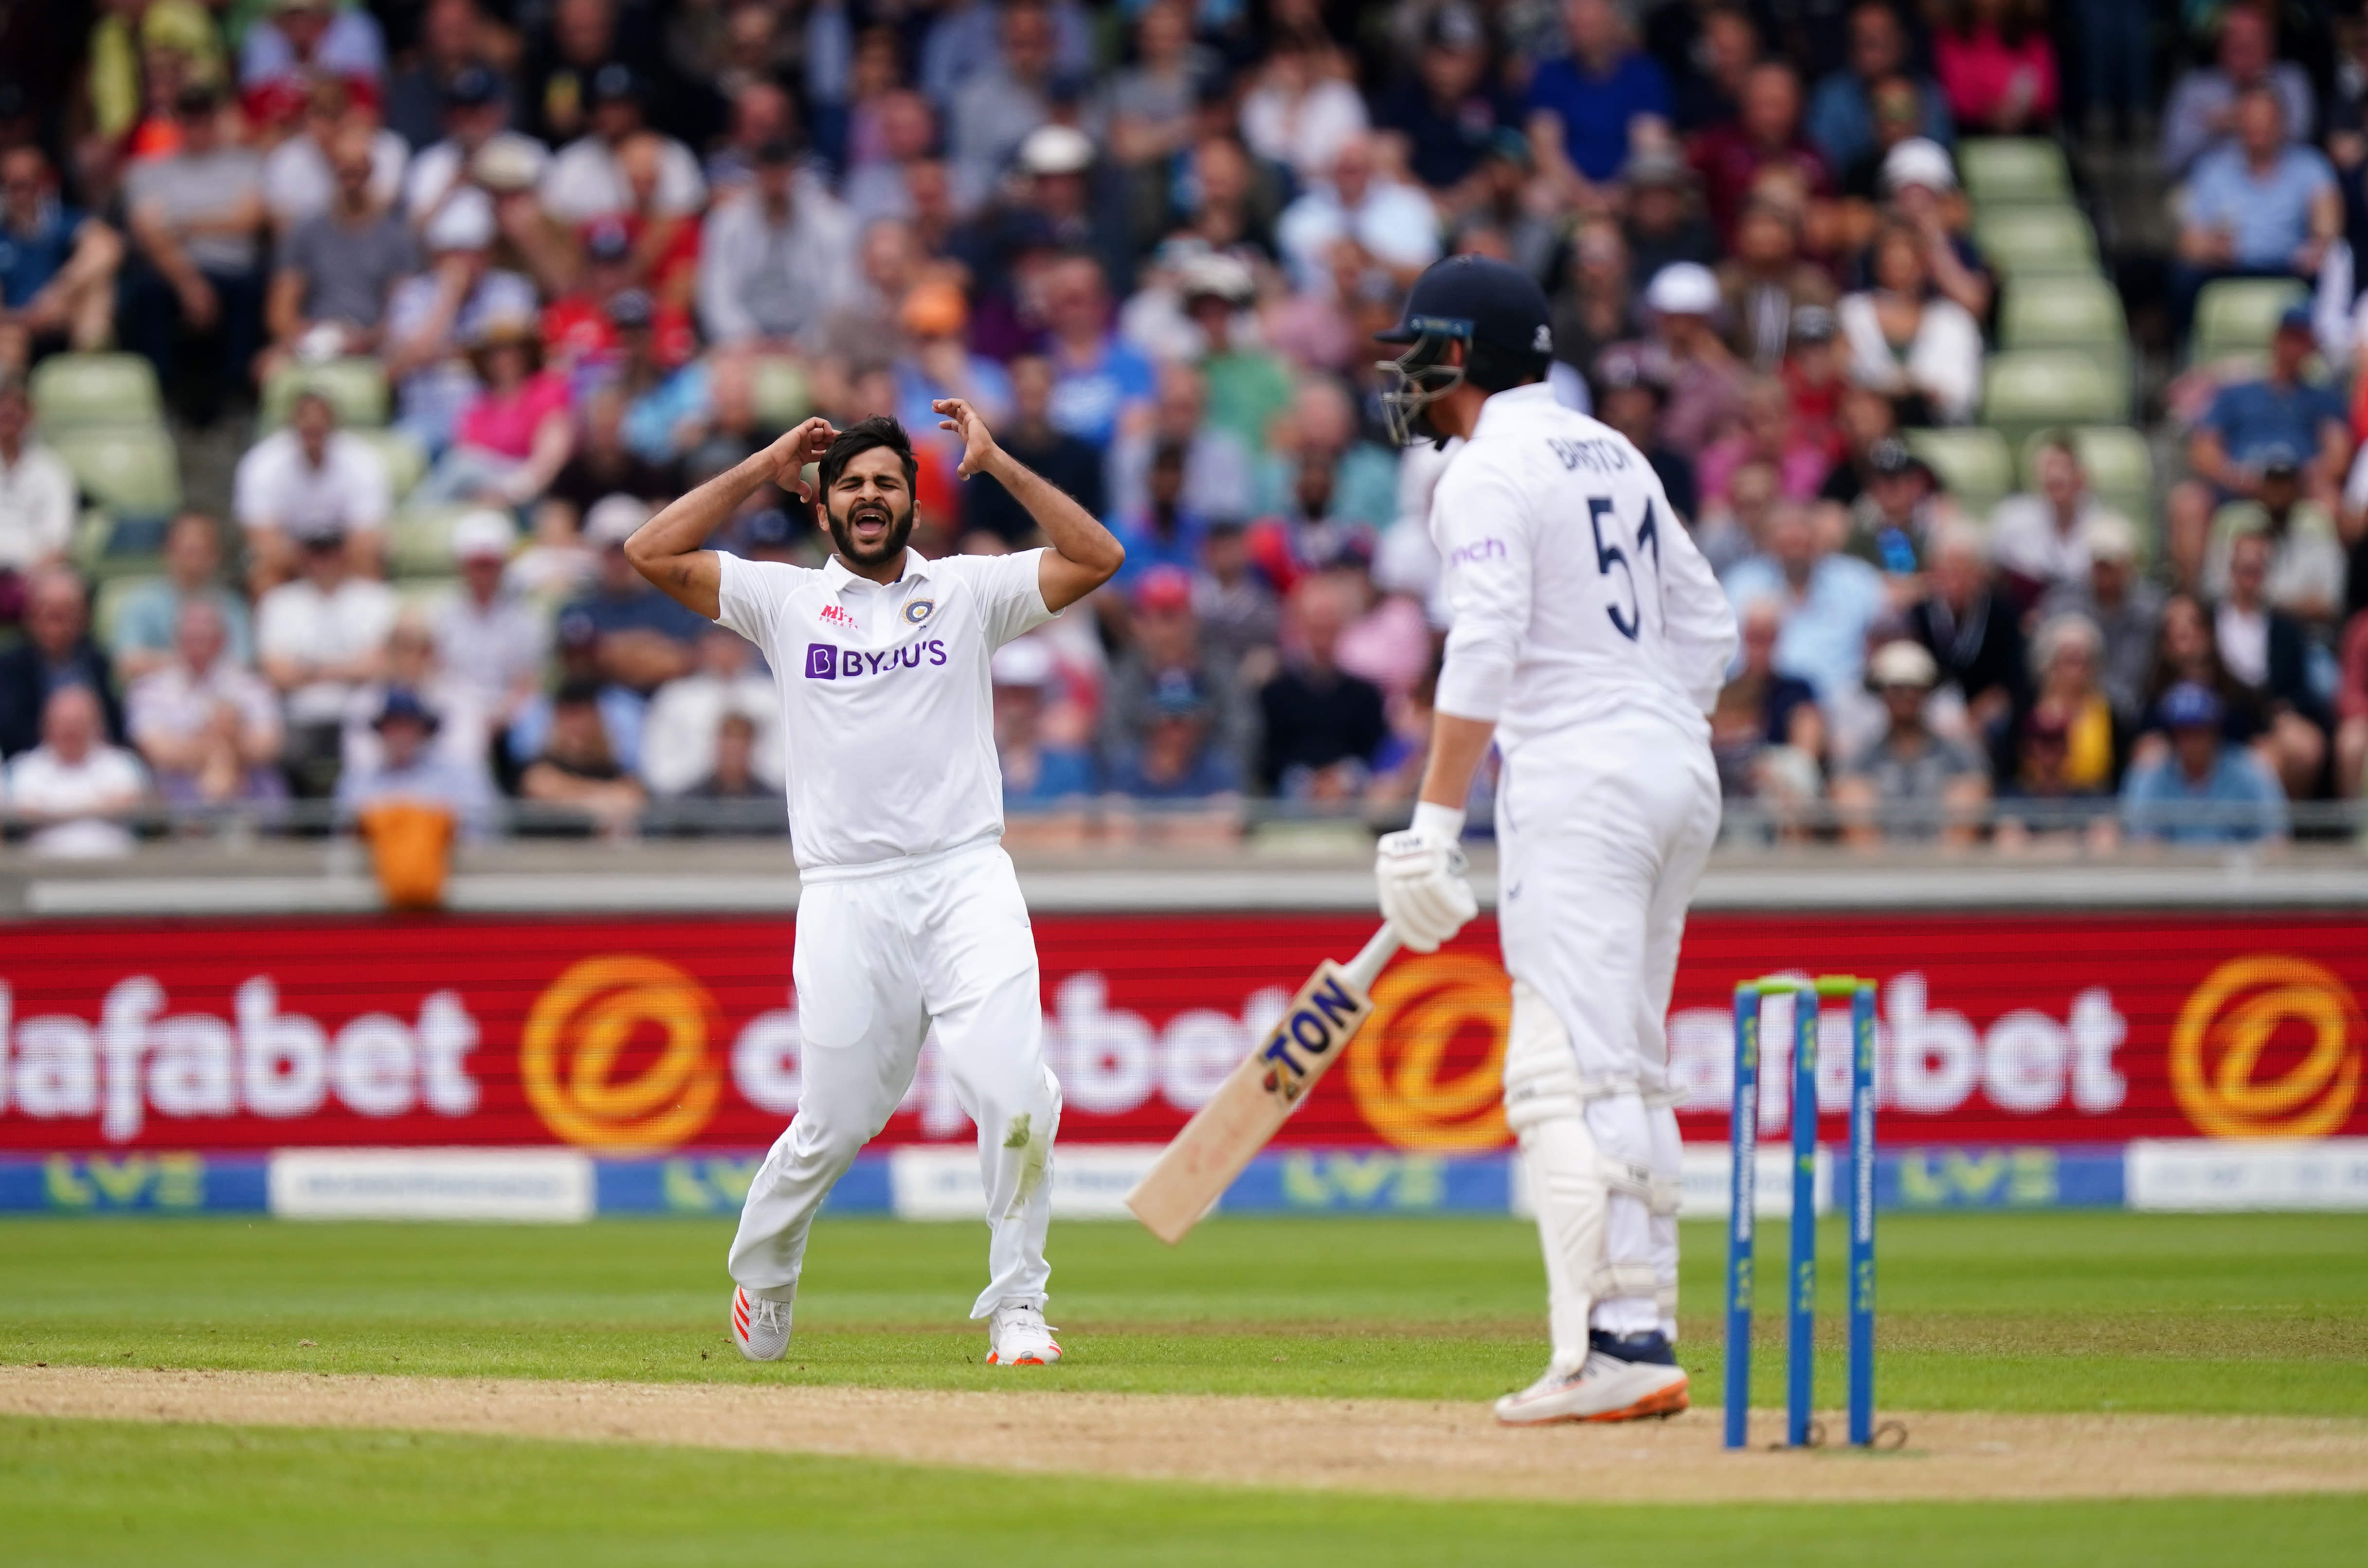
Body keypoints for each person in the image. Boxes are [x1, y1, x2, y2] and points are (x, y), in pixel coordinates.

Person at [620, 391, 1123, 1366]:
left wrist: (999, 463)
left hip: (966, 875)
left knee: (1017, 1094)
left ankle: (1019, 1306)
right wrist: (761, 464)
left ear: (913, 503)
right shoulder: (784, 601)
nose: (868, 496)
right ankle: (765, 1272)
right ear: (821, 505)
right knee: (834, 1124)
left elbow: (1097, 556)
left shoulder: (969, 591)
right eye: (849, 483)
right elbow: (650, 551)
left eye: (887, 483)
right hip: (845, 893)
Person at [1370, 254, 1735, 1424]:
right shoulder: (1611, 450)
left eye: (1419, 353)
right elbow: (1711, 628)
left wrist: (1433, 823)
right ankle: (1641, 1330)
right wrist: (1650, 723)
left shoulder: (1483, 469)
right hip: (1675, 765)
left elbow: (1483, 643)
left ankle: (1621, 1343)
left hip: (1583, 780)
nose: (1407, 378)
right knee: (1627, 1058)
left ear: (1460, 355)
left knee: (1574, 1072)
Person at [2168, 306, 2350, 588]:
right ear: (2276, 340)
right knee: (2188, 503)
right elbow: (2203, 449)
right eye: (2290, 339)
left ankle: (2328, 597)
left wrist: (2305, 478)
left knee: (2333, 503)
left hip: (2297, 487)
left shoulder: (2323, 397)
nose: (2295, 349)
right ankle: (2194, 598)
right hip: (2240, 484)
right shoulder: (2237, 392)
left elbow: (2338, 453)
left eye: (2303, 341)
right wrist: (2236, 477)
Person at [121, 84, 268, 413]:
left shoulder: (245, 163)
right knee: (144, 293)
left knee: (252, 290)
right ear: (178, 121)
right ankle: (162, 398)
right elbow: (147, 233)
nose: (197, 125)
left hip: (232, 269)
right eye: (189, 117)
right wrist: (189, 283)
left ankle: (237, 400)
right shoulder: (149, 170)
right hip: (172, 271)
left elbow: (248, 221)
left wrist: (181, 226)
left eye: (204, 116)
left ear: (216, 119)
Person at [2173, 84, 2339, 327]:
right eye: (2251, 121)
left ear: (2282, 124)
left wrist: (2318, 248)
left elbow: (2329, 231)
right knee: (2182, 278)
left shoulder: (2311, 165)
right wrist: (2211, 248)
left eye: (2265, 122)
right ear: (2238, 122)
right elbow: (2188, 243)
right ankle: (2186, 346)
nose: (2258, 129)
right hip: (2229, 268)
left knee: (2332, 275)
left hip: (2291, 267)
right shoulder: (2212, 169)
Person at [255, 531, 400, 796]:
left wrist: (310, 670)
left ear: (344, 552)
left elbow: (383, 665)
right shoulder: (279, 601)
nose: (322, 560)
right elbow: (277, 675)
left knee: (381, 746)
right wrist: (351, 668)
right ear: (301, 555)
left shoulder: (376, 598)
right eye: (315, 551)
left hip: (363, 714)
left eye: (330, 550)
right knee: (274, 748)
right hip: (299, 717)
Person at [695, 137, 860, 351]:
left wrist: (807, 341)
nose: (776, 183)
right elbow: (716, 293)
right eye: (769, 174)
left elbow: (841, 292)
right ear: (756, 174)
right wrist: (744, 337)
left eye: (782, 174)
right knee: (718, 373)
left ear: (795, 173)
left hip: (813, 343)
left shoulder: (833, 222)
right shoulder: (726, 222)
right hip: (742, 343)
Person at [1830, 638, 1991, 847]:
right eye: (1895, 688)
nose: (1904, 696)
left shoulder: (1962, 758)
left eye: (1913, 687)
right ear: (1881, 692)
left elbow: (1965, 830)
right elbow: (1858, 834)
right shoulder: (1859, 761)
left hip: (1944, 862)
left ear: (1927, 691)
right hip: (1879, 863)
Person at [126, 599, 284, 807]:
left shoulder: (252, 685)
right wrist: (221, 747)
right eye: (190, 639)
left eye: (205, 639)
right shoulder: (149, 689)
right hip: (177, 796)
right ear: (177, 640)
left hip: (251, 791)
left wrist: (215, 752)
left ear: (222, 641)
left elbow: (268, 745)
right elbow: (156, 751)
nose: (198, 647)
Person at [233, 390, 393, 587]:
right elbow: (262, 538)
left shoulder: (363, 462)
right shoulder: (262, 463)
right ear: (292, 427)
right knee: (264, 570)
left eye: (319, 430)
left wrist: (329, 563)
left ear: (333, 427)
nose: (314, 437)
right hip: (288, 564)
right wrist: (313, 563)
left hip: (345, 561)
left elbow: (367, 537)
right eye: (307, 431)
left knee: (368, 562)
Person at [1838, 221, 1983, 425]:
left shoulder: (1954, 321)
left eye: (1907, 264)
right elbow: (1842, 378)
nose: (1901, 273)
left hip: (1937, 426)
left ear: (1923, 266)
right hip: (1868, 429)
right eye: (1891, 263)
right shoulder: (1853, 314)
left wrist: (1920, 389)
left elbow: (1964, 392)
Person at [0, 144, 124, 375]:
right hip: (14, 325)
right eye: (10, 185)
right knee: (7, 342)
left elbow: (108, 247)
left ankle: (89, 378)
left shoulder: (63, 221)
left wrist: (56, 296)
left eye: (27, 185)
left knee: (98, 292)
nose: (19, 195)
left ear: (44, 184)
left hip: (64, 315)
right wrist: (26, 317)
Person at [2121, 681, 2288, 845]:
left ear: (2215, 731)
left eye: (2199, 731)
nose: (2191, 742)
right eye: (2183, 732)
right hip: (2172, 864)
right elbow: (2142, 842)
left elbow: (2275, 838)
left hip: (2237, 863)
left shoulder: (2249, 771)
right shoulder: (2151, 773)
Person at [2041, 513, 2162, 723]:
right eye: (2099, 563)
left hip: (2133, 714)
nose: (2104, 572)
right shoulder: (2062, 604)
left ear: (2129, 565)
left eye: (2111, 564)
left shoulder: (2151, 609)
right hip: (2069, 709)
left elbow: (2139, 677)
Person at [1989, 433, 2135, 604]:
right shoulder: (2009, 521)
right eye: (2048, 467)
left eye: (2063, 467)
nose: (2055, 475)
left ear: (2082, 476)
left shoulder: (2106, 527)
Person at [2, 685, 147, 857]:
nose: (71, 730)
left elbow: (126, 807)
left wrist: (52, 811)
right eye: (63, 722)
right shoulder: (25, 767)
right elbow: (27, 815)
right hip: (44, 866)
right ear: (47, 725)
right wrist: (100, 807)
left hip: (114, 863)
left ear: (96, 724)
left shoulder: (122, 763)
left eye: (79, 722)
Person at [108, 513, 256, 682]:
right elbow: (128, 664)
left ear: (216, 557)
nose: (194, 562)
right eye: (188, 552)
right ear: (168, 553)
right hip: (157, 694)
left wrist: (164, 661)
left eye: (203, 553)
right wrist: (196, 661)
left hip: (219, 694)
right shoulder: (140, 603)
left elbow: (243, 664)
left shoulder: (233, 607)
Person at [340, 686, 496, 839]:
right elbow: (342, 833)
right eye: (393, 727)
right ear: (382, 732)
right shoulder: (359, 780)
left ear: (423, 731)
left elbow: (484, 827)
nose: (400, 735)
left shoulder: (459, 775)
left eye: (407, 726)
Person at [0, 567, 121, 758]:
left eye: (65, 613)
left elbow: (115, 730)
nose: (55, 626)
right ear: (30, 616)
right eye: (47, 612)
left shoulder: (97, 662)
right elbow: (11, 733)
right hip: (30, 764)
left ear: (84, 617)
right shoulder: (10, 667)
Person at [0, 378, 74, 590]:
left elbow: (59, 542)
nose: (9, 416)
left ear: (30, 416)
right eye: (3, 412)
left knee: (60, 591)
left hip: (33, 578)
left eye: (15, 411)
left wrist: (32, 577)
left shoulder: (53, 471)